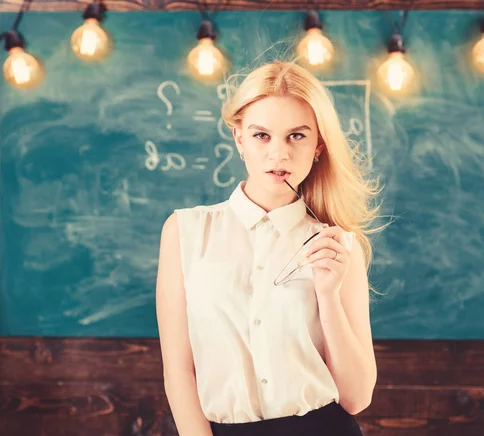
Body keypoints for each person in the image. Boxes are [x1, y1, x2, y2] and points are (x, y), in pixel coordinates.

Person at [156, 60, 382, 436]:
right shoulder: (185, 231)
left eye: (296, 136)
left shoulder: (339, 246)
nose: (279, 155)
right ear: (238, 137)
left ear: (317, 147)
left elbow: (357, 397)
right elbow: (178, 370)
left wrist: (327, 294)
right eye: (262, 135)